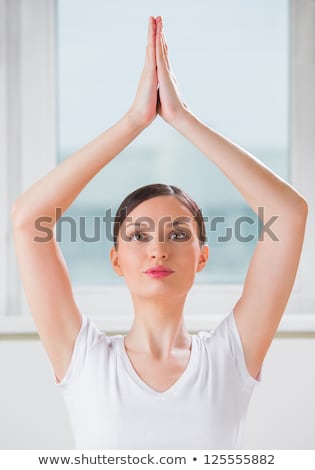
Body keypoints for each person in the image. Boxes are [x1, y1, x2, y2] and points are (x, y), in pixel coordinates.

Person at [12, 16, 307, 449]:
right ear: (115, 259)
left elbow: (290, 212)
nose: (157, 251)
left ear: (202, 256)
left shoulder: (228, 359)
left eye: (178, 234)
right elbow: (27, 219)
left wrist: (183, 119)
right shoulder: (85, 361)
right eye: (138, 236)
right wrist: (134, 121)